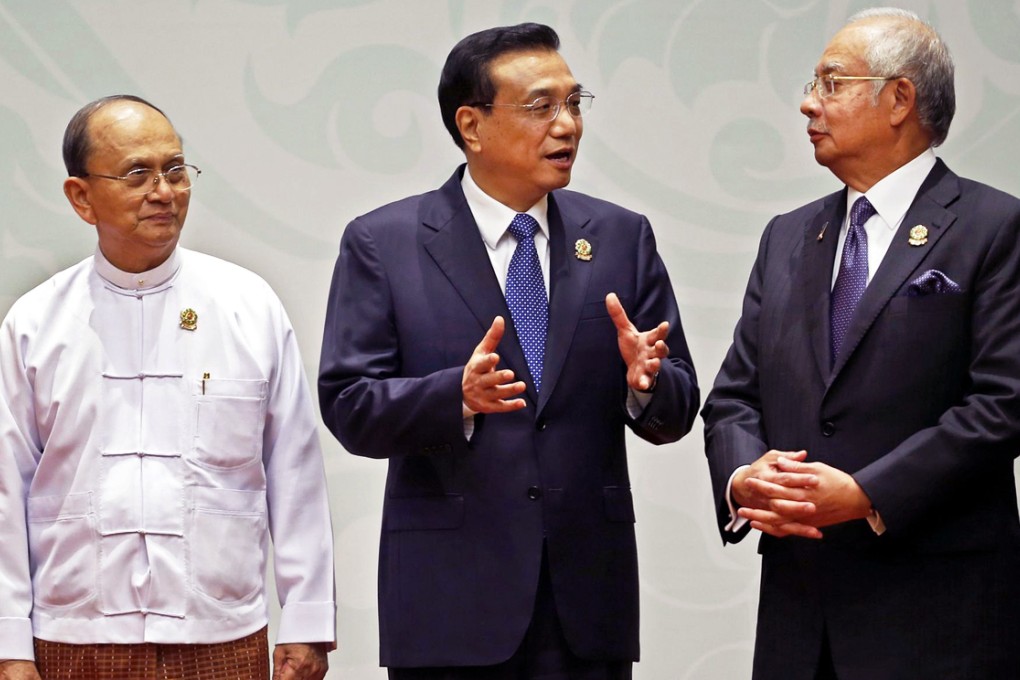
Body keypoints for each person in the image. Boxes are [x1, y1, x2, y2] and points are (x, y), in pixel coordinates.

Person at [318, 22, 698, 680]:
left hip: (586, 607)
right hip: (449, 603)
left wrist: (644, 385)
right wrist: (452, 397)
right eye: (540, 106)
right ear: (472, 125)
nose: (567, 125)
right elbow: (349, 404)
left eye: (575, 104)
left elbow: (678, 404)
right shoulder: (385, 243)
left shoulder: (619, 237)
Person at [702, 7, 1020, 679]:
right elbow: (733, 398)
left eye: (831, 82)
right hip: (798, 613)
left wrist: (867, 492)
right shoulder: (787, 237)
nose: (807, 103)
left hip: (936, 617)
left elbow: (1002, 404)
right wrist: (744, 478)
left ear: (899, 98)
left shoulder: (994, 227)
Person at [0, 95, 336, 680]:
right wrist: (10, 646)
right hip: (75, 634)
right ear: (81, 197)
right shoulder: (35, 323)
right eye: (138, 174)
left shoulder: (247, 304)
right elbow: (7, 490)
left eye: (175, 170)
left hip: (220, 631)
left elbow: (295, 469)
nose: (164, 191)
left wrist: (308, 623)